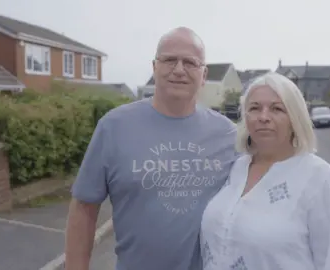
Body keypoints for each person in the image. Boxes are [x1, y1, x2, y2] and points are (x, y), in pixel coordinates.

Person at [64, 27, 238, 270]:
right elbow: (84, 207)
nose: (179, 70)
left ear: (204, 73)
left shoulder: (228, 135)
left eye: (190, 62)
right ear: (154, 67)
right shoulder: (114, 127)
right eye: (169, 60)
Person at [200, 72, 330, 270]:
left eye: (277, 109)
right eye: (254, 108)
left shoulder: (320, 180)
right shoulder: (236, 168)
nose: (264, 117)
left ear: (294, 118)